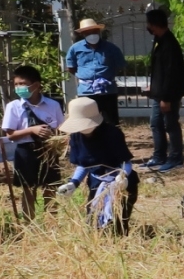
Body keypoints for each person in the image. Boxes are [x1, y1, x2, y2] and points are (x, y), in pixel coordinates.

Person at [56, 95, 140, 233]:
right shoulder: (76, 137)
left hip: (120, 184)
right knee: (94, 222)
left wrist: (123, 175)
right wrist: (73, 183)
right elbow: (84, 164)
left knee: (117, 223)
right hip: (96, 184)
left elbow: (125, 161)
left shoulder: (112, 134)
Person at [1, 65, 64, 208]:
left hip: (49, 150)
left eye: (22, 84)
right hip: (26, 152)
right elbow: (10, 135)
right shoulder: (13, 106)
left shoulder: (53, 105)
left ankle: (51, 219)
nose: (19, 88)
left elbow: (61, 129)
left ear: (36, 85)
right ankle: (29, 219)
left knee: (51, 187)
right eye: (16, 84)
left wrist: (53, 136)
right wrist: (31, 130)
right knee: (28, 189)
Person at [142, 7, 184, 170]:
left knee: (170, 124)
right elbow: (160, 70)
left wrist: (166, 98)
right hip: (160, 92)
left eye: (149, 23)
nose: (148, 27)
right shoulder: (160, 40)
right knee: (156, 124)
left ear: (154, 24)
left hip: (169, 94)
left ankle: (176, 159)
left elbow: (171, 74)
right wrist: (154, 85)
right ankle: (159, 157)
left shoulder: (169, 44)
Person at [63, 16, 128, 127]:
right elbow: (71, 67)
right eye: (88, 33)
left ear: (99, 31)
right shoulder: (75, 48)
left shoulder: (111, 48)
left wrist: (106, 76)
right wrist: (85, 77)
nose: (92, 35)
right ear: (83, 34)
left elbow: (120, 66)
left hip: (107, 90)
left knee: (110, 122)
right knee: (87, 122)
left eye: (94, 31)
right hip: (86, 91)